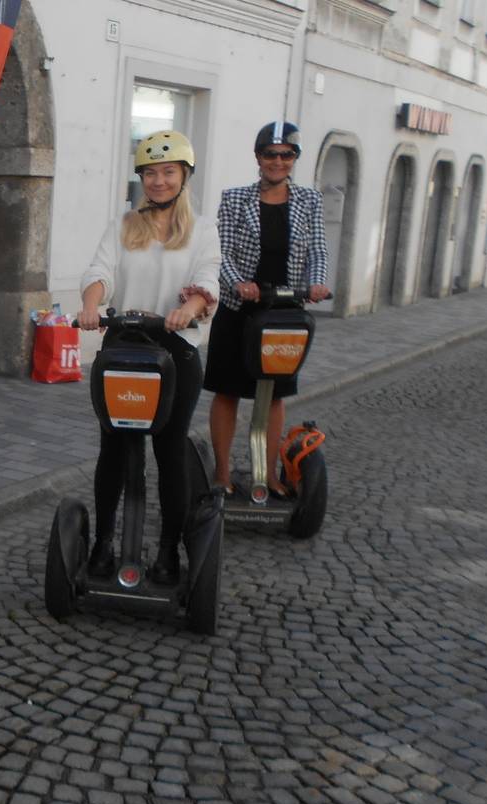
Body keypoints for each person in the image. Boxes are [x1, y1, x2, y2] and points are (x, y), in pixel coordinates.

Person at [78, 131, 219, 584]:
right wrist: (90, 304)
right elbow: (100, 271)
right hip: (124, 349)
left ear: (184, 177)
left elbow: (207, 281)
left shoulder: (203, 231)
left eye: (168, 172)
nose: (158, 181)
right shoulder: (123, 227)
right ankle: (102, 544)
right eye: (150, 173)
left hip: (175, 352)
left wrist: (189, 309)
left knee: (170, 450)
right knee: (113, 450)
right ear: (141, 177)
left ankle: (167, 552)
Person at [204, 121, 329, 496]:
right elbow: (219, 252)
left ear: (295, 159)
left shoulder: (310, 200)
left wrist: (318, 281)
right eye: (270, 154)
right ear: (258, 157)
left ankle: (269, 473)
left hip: (284, 312)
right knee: (227, 391)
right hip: (239, 309)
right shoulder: (234, 198)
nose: (278, 161)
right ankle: (223, 473)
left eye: (286, 155)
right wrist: (237, 283)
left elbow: (318, 249)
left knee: (274, 394)